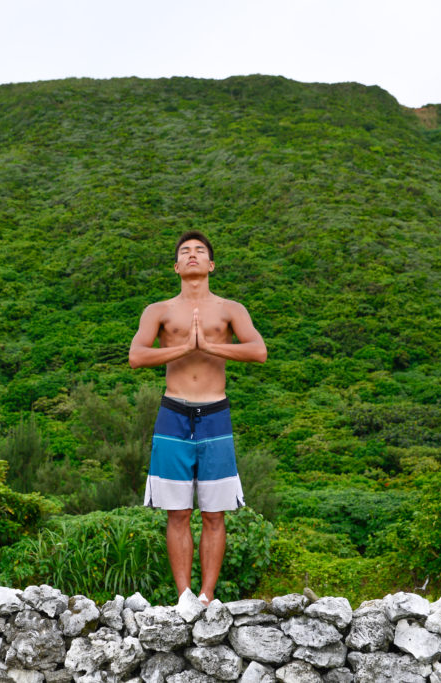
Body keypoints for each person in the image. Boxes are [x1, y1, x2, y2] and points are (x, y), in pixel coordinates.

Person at [128, 231, 267, 604]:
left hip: (215, 414)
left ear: (211, 265)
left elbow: (258, 351)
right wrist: (183, 349)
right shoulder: (157, 311)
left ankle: (207, 596)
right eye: (185, 252)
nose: (192, 255)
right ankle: (184, 596)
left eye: (199, 251)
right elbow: (137, 356)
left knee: (214, 513)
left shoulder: (229, 309)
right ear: (176, 266)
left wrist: (207, 346)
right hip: (173, 412)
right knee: (177, 512)